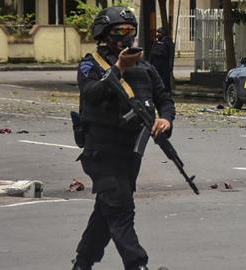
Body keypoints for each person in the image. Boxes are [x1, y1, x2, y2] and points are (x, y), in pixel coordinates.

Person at [71, 6, 175, 270]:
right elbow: (92, 94)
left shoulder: (145, 67)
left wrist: (166, 119)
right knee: (120, 209)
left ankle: (82, 264)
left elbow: (164, 98)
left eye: (130, 32)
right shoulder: (90, 64)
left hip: (130, 154)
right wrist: (117, 68)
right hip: (101, 152)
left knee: (105, 214)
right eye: (119, 32)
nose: (125, 38)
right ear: (105, 34)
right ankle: (137, 265)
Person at [149, 27, 174, 93]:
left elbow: (171, 55)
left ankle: (166, 93)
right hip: (156, 64)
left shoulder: (168, 42)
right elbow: (152, 54)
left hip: (164, 64)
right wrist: (150, 63)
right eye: (157, 33)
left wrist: (170, 65)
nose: (157, 34)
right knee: (156, 79)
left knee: (165, 80)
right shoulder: (156, 42)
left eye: (159, 33)